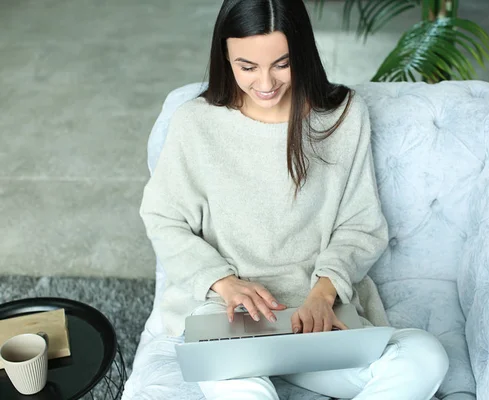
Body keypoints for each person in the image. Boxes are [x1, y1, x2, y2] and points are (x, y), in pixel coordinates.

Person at [132, 0, 449, 399]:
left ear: (303, 52)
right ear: (224, 56)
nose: (265, 83)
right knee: (233, 382)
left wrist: (324, 292)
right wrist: (223, 281)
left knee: (425, 355)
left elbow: (361, 224)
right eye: (247, 67)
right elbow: (163, 217)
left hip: (316, 313)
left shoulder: (343, 117)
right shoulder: (195, 122)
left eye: (281, 64)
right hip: (231, 316)